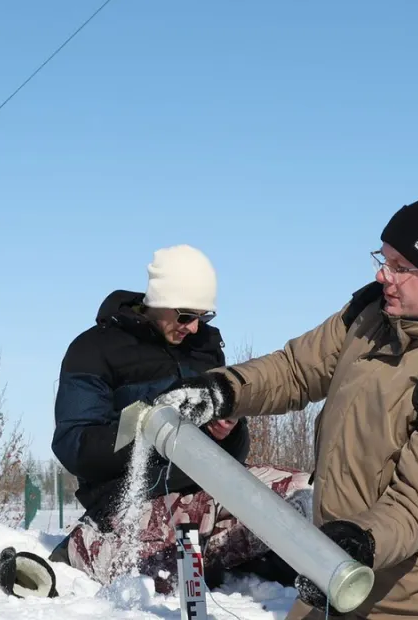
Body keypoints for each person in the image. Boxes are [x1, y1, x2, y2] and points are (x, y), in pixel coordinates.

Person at [157, 192, 418, 620]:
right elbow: (296, 369)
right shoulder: (370, 317)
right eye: (383, 259)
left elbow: (416, 508)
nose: (385, 275)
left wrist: (353, 544)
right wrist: (223, 391)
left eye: (403, 268)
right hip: (338, 577)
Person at [51, 245, 308, 591]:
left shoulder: (205, 349)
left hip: (211, 489)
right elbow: (73, 445)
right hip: (134, 502)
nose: (193, 326)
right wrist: (148, 426)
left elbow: (235, 454)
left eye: (204, 317)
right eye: (186, 315)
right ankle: (87, 549)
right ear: (159, 301)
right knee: (159, 574)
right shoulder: (94, 350)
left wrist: (227, 431)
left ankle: (244, 560)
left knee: (307, 497)